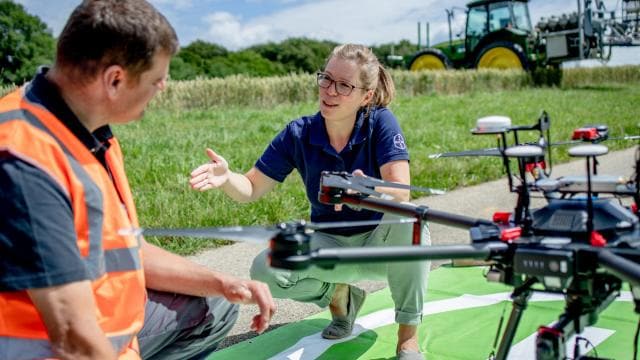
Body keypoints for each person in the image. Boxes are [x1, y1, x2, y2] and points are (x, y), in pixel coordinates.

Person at [0, 1, 275, 359]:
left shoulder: (87, 130)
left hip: (110, 330)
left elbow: (127, 249)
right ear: (115, 80)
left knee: (217, 304)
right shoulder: (24, 163)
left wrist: (222, 282)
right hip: (45, 348)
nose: (163, 88)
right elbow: (73, 339)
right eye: (157, 79)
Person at [190, 44, 430, 360]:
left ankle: (407, 339)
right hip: (330, 245)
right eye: (326, 79)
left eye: (344, 85)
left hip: (378, 244)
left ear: (366, 96)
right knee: (267, 267)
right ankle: (340, 296)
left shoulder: (380, 122)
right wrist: (226, 177)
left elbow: (402, 191)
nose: (330, 91)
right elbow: (250, 188)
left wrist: (367, 190)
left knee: (410, 220)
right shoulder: (299, 133)